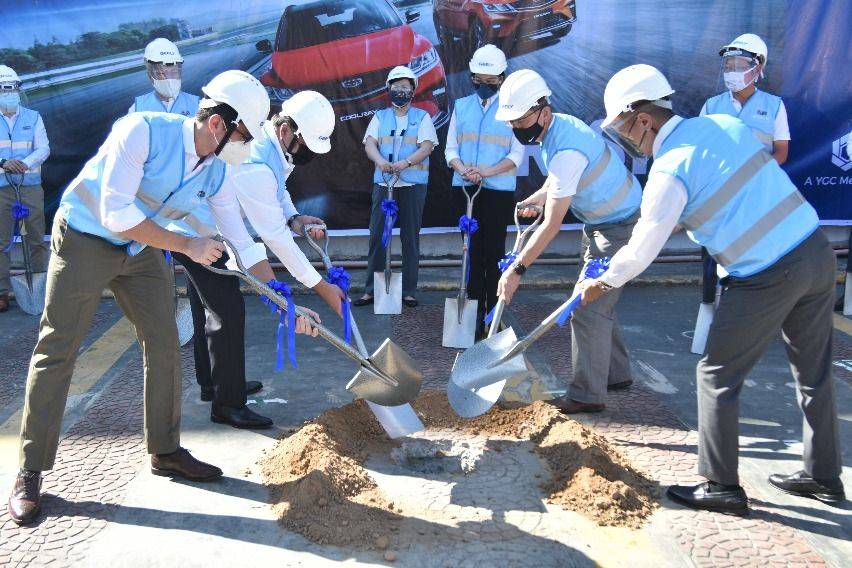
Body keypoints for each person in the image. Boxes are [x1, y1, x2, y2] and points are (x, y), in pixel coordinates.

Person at [7, 70, 303, 526]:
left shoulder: (220, 168)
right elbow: (116, 212)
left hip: (143, 247)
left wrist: (285, 302)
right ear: (219, 125)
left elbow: (242, 242)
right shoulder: (141, 131)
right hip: (87, 235)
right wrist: (186, 245)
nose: (249, 145)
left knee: (164, 344)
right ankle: (30, 470)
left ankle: (165, 450)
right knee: (58, 347)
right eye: (246, 133)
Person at [579, 64, 843, 514]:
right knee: (813, 374)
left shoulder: (669, 168)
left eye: (623, 127)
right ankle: (823, 478)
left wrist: (603, 281)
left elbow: (643, 247)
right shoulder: (723, 125)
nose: (624, 138)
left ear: (643, 118)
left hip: (765, 273)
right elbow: (732, 189)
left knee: (717, 375)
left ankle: (721, 486)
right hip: (816, 254)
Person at [166, 90, 346, 429]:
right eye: (306, 144)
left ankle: (216, 383)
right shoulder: (254, 161)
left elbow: (280, 192)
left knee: (209, 306)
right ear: (286, 130)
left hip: (214, 227)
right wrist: (319, 287)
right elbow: (272, 238)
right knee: (226, 310)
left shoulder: (275, 149)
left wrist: (294, 217)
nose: (307, 153)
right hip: (198, 230)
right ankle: (227, 404)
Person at [494, 69, 640, 414]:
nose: (516, 128)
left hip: (619, 226)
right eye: (511, 122)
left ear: (543, 110)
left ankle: (587, 395)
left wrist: (517, 269)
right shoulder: (557, 129)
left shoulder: (565, 148)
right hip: (603, 222)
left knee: (587, 305)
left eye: (520, 120)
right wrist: (540, 196)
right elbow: (561, 183)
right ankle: (615, 374)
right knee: (603, 299)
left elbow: (551, 225)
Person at [445, 45, 524, 339]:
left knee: (493, 256)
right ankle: (472, 319)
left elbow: (516, 155)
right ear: (472, 77)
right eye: (479, 78)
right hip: (465, 190)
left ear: (502, 78)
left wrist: (485, 173)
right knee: (471, 254)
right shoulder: (462, 106)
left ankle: (493, 317)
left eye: (491, 80)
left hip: (496, 192)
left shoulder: (512, 110)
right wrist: (462, 168)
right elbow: (451, 147)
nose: (484, 85)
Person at [354, 66, 438, 308]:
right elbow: (370, 144)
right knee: (378, 236)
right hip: (384, 184)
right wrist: (381, 162)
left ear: (413, 91)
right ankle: (371, 290)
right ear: (388, 89)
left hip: (412, 185)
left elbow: (427, 147)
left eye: (405, 88)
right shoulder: (380, 117)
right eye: (396, 87)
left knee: (410, 237)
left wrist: (405, 162)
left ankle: (409, 291)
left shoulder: (422, 117)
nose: (400, 92)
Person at [0, 65, 50, 313]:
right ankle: (1, 292)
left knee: (36, 238)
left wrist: (24, 164)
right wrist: (3, 163)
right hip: (2, 190)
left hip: (29, 186)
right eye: (4, 89)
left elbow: (43, 149)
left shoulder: (33, 117)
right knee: (1, 242)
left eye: (12, 88)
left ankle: (41, 288)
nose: (9, 93)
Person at [700, 34, 790, 165]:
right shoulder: (711, 106)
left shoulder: (774, 106)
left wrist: (757, 172)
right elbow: (701, 147)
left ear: (757, 69)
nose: (731, 72)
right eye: (728, 67)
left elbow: (782, 152)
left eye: (739, 67)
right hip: (720, 182)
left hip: (760, 181)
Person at [128, 38, 199, 117]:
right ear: (150, 77)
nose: (169, 79)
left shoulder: (198, 105)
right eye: (161, 73)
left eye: (174, 72)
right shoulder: (136, 109)